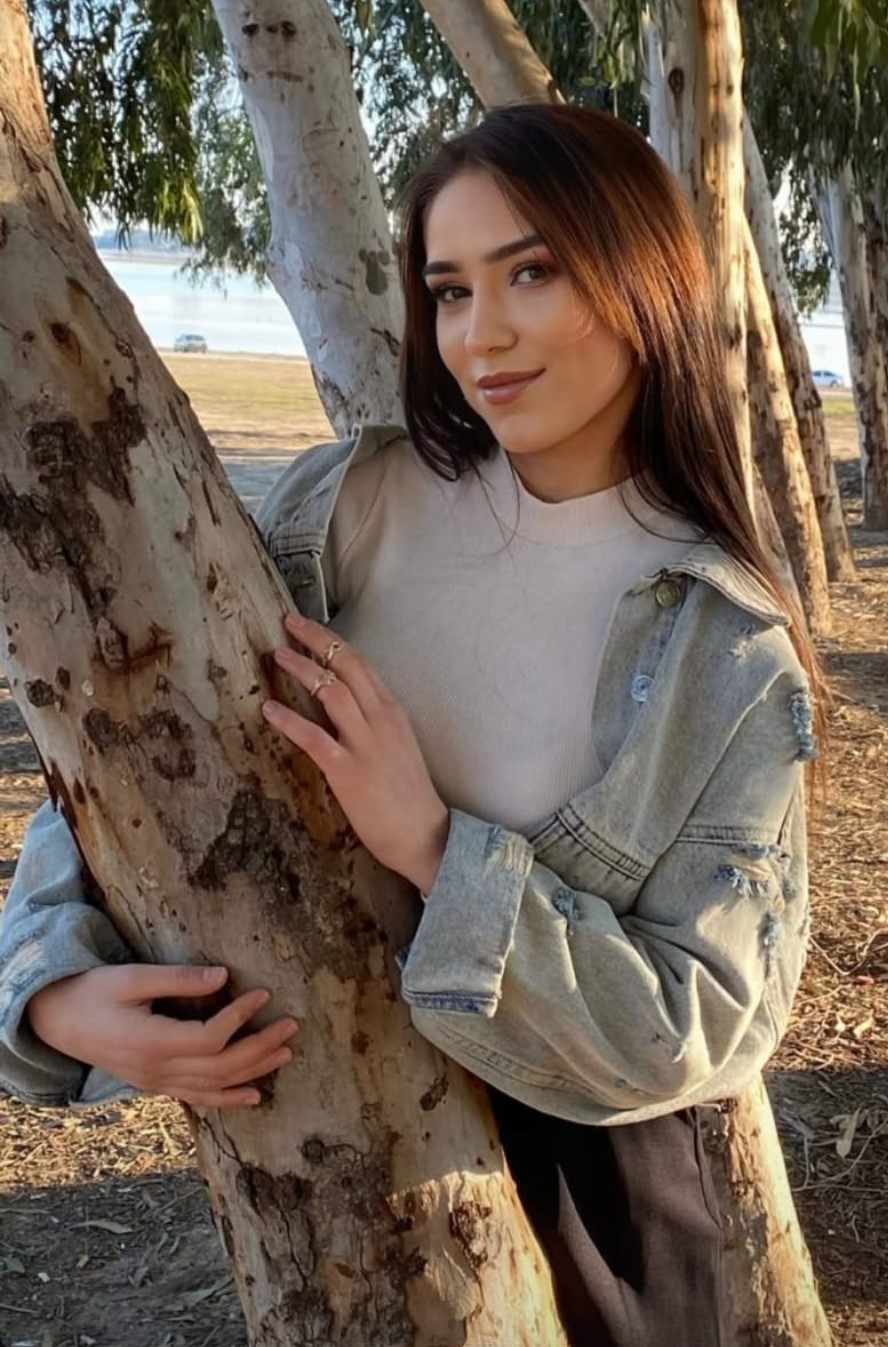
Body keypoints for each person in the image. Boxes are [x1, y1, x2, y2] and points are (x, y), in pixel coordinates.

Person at [0, 103, 823, 1346]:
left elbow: (705, 1020)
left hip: (597, 1210)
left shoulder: (723, 644)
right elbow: (151, 746)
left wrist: (437, 850)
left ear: (644, 278)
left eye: (533, 273)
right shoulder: (344, 509)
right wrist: (50, 995)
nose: (481, 334)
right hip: (331, 1192)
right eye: (449, 290)